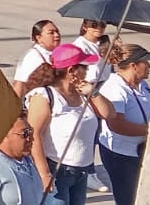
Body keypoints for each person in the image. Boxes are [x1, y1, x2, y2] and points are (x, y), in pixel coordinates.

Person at [23, 44, 117, 205]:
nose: (87, 71)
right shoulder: (45, 96)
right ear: (71, 70)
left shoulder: (83, 94)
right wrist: (44, 174)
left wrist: (93, 92)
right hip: (57, 170)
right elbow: (34, 135)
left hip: (82, 171)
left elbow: (109, 114)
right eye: (84, 67)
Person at [97, 44, 150, 205]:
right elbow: (117, 124)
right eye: (146, 62)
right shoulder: (114, 88)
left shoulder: (143, 84)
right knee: (128, 199)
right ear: (133, 66)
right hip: (121, 155)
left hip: (140, 150)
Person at [0, 112, 45, 205]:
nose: (31, 139)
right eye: (25, 134)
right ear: (4, 135)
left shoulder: (27, 161)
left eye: (31, 132)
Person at [13, 20, 61, 97]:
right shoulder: (32, 56)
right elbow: (20, 83)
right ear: (39, 38)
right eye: (51, 33)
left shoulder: (59, 53)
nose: (56, 35)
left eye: (57, 31)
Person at [71, 19, 108, 85]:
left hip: (106, 85)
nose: (99, 28)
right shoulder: (79, 45)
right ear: (85, 26)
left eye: (102, 25)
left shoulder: (105, 43)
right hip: (90, 86)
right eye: (94, 25)